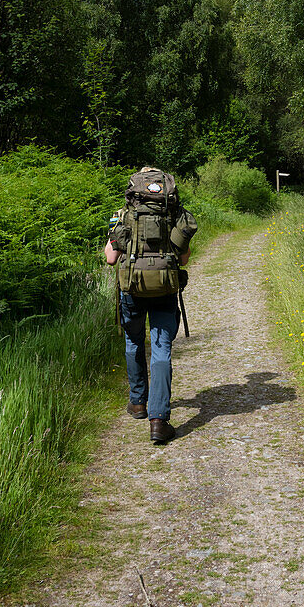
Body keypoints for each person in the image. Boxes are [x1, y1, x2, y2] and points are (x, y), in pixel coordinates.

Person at [104, 167, 197, 444]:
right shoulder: (172, 214)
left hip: (131, 287)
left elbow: (111, 259)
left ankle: (138, 403)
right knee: (161, 349)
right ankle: (159, 420)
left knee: (134, 342)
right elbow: (183, 260)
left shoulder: (124, 214)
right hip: (165, 289)